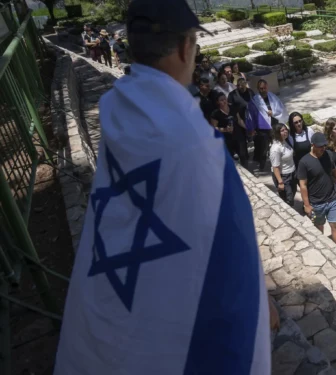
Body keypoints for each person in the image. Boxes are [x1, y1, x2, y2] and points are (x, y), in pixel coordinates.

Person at [53, 0, 276, 373]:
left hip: (106, 312)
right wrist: (257, 300)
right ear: (186, 47)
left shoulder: (118, 106)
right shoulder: (192, 139)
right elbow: (228, 240)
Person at [298, 133, 336, 249]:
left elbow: (333, 171)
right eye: (320, 146)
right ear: (313, 145)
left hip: (332, 198)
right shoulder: (304, 162)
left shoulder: (328, 155)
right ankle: (323, 249)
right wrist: (307, 205)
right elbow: (303, 185)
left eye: (324, 145)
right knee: (319, 228)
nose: (323, 148)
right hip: (316, 203)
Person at [246, 79, 287, 171]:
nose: (263, 90)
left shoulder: (273, 97)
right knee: (264, 148)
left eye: (264, 88)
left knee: (277, 145)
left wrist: (273, 112)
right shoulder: (255, 101)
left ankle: (278, 162)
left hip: (274, 126)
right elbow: (251, 115)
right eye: (261, 88)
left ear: (267, 87)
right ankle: (262, 164)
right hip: (262, 129)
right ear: (258, 89)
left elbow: (280, 108)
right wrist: (252, 129)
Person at [228, 78, 253, 167]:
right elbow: (233, 111)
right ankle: (244, 161)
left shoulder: (250, 92)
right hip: (238, 121)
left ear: (246, 84)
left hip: (250, 120)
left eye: (243, 86)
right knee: (242, 144)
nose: (241, 88)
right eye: (239, 86)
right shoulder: (232, 95)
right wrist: (240, 121)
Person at [270, 122, 296, 207]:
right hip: (283, 176)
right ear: (277, 133)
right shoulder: (276, 148)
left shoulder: (286, 141)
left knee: (293, 192)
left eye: (286, 129)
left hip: (292, 172)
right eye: (282, 130)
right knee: (288, 198)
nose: (285, 131)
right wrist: (280, 182)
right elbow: (275, 167)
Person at [209, 91, 241, 159]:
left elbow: (239, 120)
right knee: (230, 157)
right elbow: (213, 128)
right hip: (225, 139)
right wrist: (225, 129)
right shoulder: (215, 113)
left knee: (243, 155)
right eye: (221, 100)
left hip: (237, 136)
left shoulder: (233, 108)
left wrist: (248, 128)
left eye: (225, 99)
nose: (224, 101)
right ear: (217, 102)